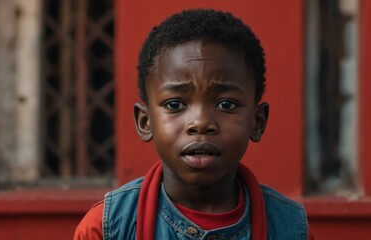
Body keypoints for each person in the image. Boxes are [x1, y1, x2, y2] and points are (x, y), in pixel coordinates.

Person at [74, 9, 314, 240]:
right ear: (145, 122)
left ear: (257, 121)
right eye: (175, 104)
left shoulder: (291, 230)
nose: (200, 123)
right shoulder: (107, 229)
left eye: (226, 105)